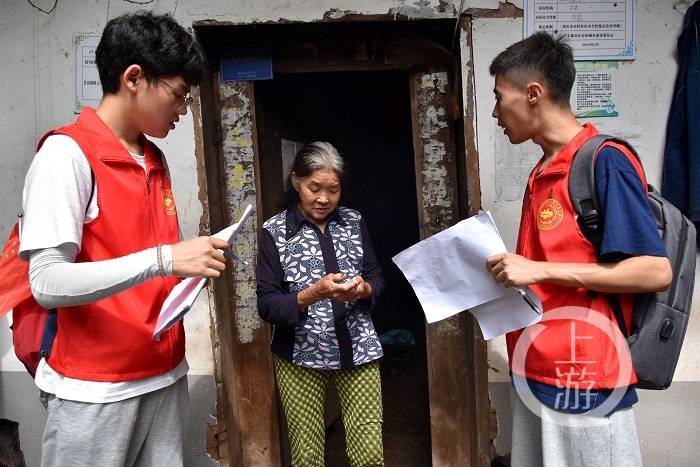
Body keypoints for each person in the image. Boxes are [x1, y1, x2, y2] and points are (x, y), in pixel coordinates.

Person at [19, 11, 230, 466]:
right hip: (97, 390)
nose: (182, 109)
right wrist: (164, 259)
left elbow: (151, 265)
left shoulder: (152, 159)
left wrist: (187, 270)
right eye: (178, 95)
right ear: (134, 77)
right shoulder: (67, 156)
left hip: (164, 375)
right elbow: (47, 283)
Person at [485, 32, 672, 466]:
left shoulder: (603, 161)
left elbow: (654, 271)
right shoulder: (542, 170)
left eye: (499, 98)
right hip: (534, 365)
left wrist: (539, 270)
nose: (496, 113)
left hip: (585, 374)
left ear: (534, 94)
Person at [256, 141, 386, 466]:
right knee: (307, 456)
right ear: (296, 180)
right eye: (314, 187)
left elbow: (377, 276)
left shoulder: (354, 222)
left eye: (333, 189)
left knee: (369, 453)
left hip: (358, 347)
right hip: (299, 354)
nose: (324, 198)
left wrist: (363, 289)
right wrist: (314, 293)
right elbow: (267, 304)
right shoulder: (275, 232)